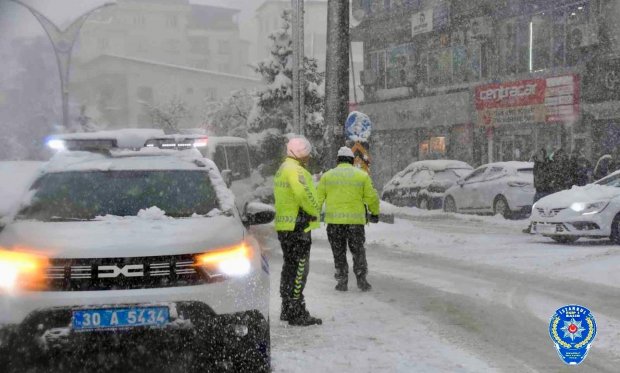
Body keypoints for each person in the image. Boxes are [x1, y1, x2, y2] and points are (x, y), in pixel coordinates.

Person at [273, 137, 322, 326]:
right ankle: (296, 310)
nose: (309, 157)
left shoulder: (283, 168)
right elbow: (303, 194)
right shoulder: (296, 170)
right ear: (301, 153)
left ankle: (287, 307)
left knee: (289, 268)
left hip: (286, 227)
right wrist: (314, 210)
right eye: (307, 153)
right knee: (300, 269)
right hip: (298, 226)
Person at [317, 147, 380, 292]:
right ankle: (361, 279)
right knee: (358, 251)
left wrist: (313, 215)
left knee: (338, 253)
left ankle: (342, 280)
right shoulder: (361, 176)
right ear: (352, 161)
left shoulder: (327, 177)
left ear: (338, 160)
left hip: (334, 224)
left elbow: (317, 199)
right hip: (355, 224)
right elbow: (372, 197)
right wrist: (374, 213)